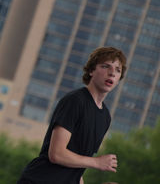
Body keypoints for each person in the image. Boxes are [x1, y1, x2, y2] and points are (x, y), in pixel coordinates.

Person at [18, 46, 127, 184]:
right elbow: (56, 154)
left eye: (118, 70)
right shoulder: (75, 101)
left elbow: (77, 168)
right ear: (92, 71)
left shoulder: (105, 117)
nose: (112, 73)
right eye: (106, 66)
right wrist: (96, 162)